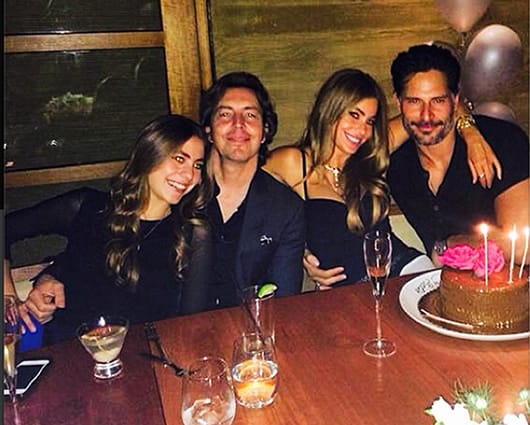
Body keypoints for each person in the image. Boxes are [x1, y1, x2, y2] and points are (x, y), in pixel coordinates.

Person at [5, 114, 213, 344]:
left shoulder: (192, 234)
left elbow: (191, 323)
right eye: (179, 158)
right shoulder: (87, 208)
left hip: (144, 357)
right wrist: (9, 299)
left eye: (197, 165)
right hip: (69, 352)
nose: (189, 175)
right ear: (149, 155)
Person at [264, 68, 433, 289]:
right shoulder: (294, 162)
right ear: (331, 109)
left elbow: (429, 110)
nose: (362, 130)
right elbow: (242, 183)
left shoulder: (371, 154)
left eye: (370, 121)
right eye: (354, 115)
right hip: (347, 293)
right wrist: (300, 253)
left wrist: (469, 131)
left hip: (403, 269)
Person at [387, 44, 529, 264]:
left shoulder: (502, 141)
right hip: (438, 282)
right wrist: (467, 128)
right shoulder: (396, 160)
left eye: (438, 101)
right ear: (398, 102)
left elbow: (522, 248)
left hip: (511, 283)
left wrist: (450, 245)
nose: (426, 115)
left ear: (455, 101)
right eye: (414, 101)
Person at [199, 71, 305, 309]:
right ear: (208, 130)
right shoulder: (182, 190)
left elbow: (284, 300)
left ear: (265, 131)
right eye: (225, 114)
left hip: (249, 326)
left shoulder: (286, 208)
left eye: (250, 115)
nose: (238, 124)